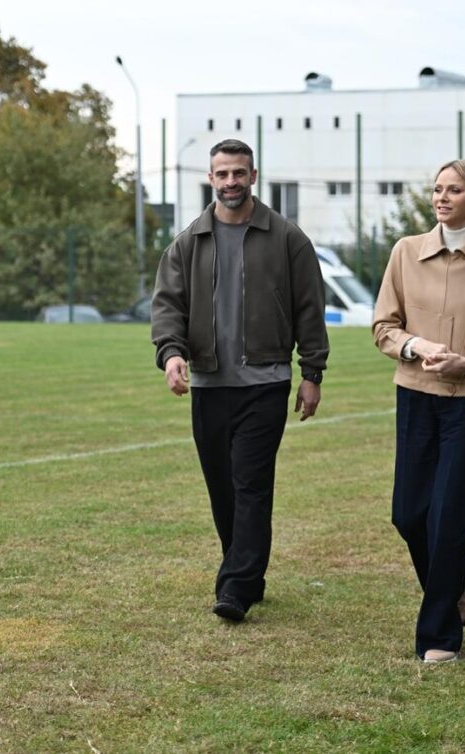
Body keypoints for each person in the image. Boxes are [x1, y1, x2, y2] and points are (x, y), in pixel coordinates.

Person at [150, 138, 329, 623]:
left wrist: (311, 372)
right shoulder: (188, 242)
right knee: (222, 489)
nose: (231, 182)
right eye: (222, 174)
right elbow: (168, 307)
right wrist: (171, 355)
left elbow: (309, 308)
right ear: (211, 179)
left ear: (253, 176)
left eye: (239, 173)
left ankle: (235, 586)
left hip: (265, 383)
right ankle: (247, 570)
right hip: (209, 385)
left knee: (251, 483)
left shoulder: (287, 238)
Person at [372, 159, 465, 663]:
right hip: (414, 395)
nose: (441, 197)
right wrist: (415, 346)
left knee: (448, 516)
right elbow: (383, 326)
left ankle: (439, 634)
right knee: (407, 514)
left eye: (454, 190)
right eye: (437, 189)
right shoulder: (405, 251)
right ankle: (456, 575)